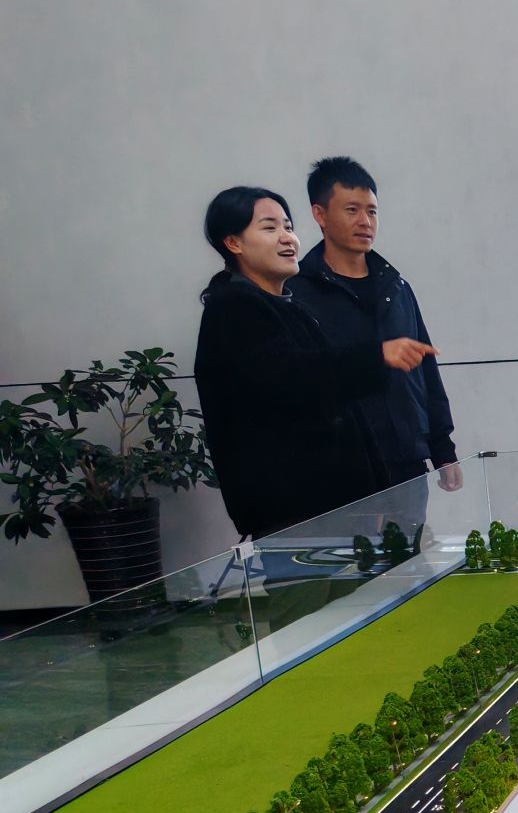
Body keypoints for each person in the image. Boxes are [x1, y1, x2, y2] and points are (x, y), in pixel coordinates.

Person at [193, 186, 434, 541]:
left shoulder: (287, 306)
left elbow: (338, 403)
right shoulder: (233, 308)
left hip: (333, 509)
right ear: (233, 243)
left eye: (288, 226)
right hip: (295, 514)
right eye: (269, 227)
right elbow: (290, 378)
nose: (287, 237)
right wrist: (375, 355)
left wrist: (375, 495)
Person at [291, 157, 461, 499]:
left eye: (372, 211)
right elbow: (304, 380)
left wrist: (443, 448)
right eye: (352, 210)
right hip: (342, 469)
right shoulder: (298, 293)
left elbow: (425, 371)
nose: (365, 221)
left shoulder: (396, 287)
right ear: (320, 214)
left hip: (407, 463)